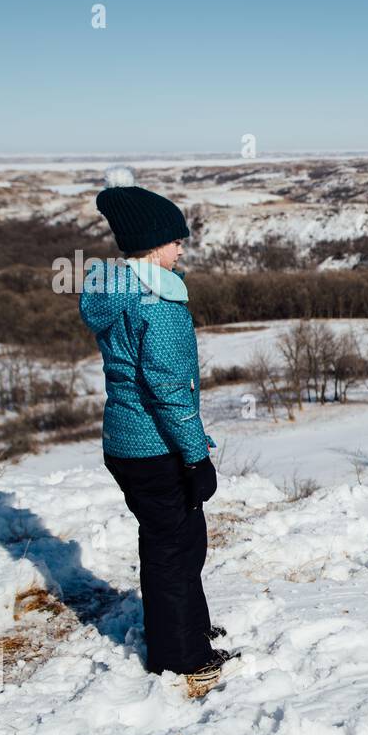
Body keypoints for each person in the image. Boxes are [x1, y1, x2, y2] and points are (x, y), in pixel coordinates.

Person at [80, 166, 232, 682]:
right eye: (175, 240)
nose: (181, 251)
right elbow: (170, 393)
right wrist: (196, 455)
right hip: (157, 446)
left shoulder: (117, 291)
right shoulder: (158, 305)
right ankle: (180, 656)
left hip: (125, 441)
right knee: (173, 549)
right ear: (151, 246)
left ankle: (189, 630)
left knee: (178, 542)